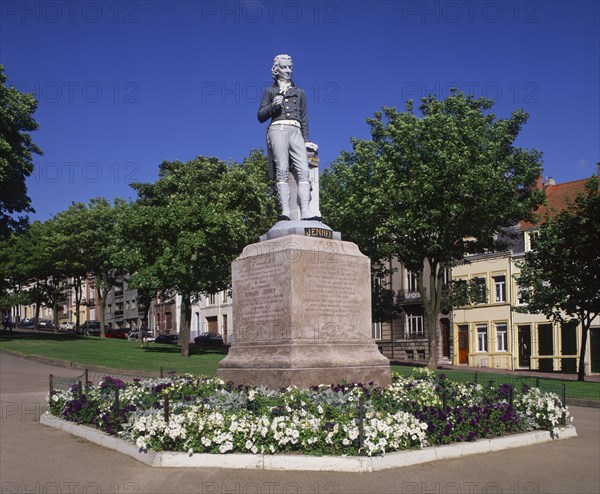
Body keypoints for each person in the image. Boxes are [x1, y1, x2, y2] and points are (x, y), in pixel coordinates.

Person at [258, 54, 319, 221]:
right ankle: (285, 211)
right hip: (278, 128)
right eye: (284, 67)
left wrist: (306, 140)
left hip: (296, 130)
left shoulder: (299, 92)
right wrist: (273, 106)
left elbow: (304, 117)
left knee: (304, 170)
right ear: (276, 69)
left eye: (290, 67)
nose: (288, 70)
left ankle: (305, 211)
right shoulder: (270, 91)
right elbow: (260, 116)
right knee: (282, 169)